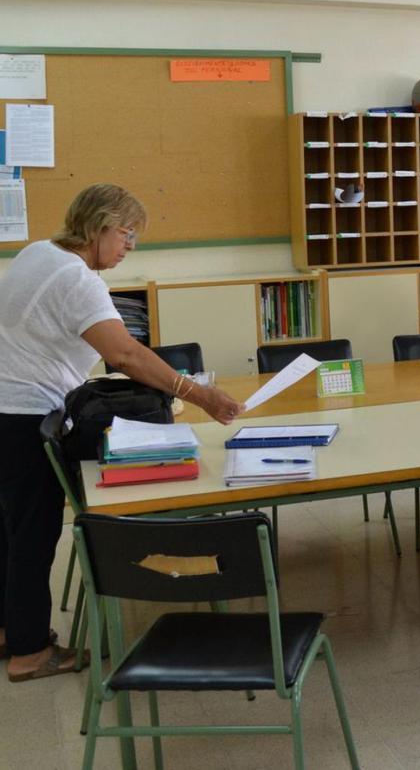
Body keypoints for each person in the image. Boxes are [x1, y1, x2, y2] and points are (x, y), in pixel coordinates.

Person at [0, 184, 243, 682]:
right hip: (24, 415)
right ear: (101, 225)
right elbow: (125, 355)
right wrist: (200, 394)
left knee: (8, 531)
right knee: (32, 535)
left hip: (5, 409)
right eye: (127, 234)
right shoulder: (77, 279)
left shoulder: (37, 253)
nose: (130, 246)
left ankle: (10, 630)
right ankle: (28, 653)